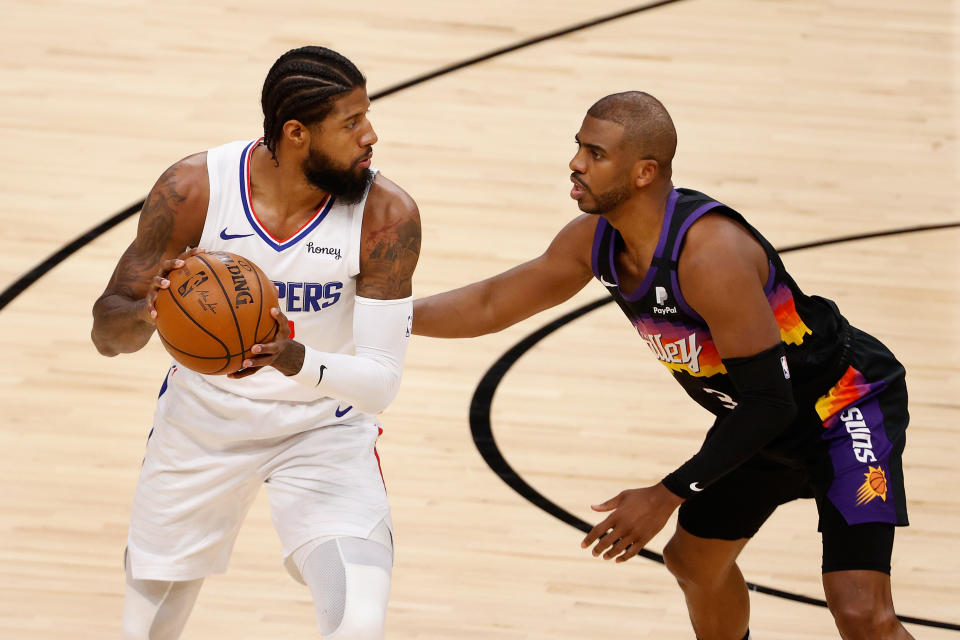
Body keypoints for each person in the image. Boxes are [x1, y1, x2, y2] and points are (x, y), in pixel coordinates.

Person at [413, 91, 912, 640]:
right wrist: (382, 318)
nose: (576, 163)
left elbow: (772, 402)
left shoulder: (709, 255)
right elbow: (490, 304)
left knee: (861, 613)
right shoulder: (595, 240)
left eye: (596, 154)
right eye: (579, 147)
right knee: (694, 562)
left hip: (840, 407)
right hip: (761, 417)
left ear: (645, 171)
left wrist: (665, 493)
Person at [91, 45, 420, 639]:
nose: (371, 135)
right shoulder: (193, 188)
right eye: (351, 124)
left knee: (359, 624)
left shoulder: (386, 215)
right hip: (203, 423)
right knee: (143, 633)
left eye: (366, 116)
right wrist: (152, 310)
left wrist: (295, 359)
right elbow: (106, 332)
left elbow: (380, 383)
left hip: (324, 426)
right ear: (296, 133)